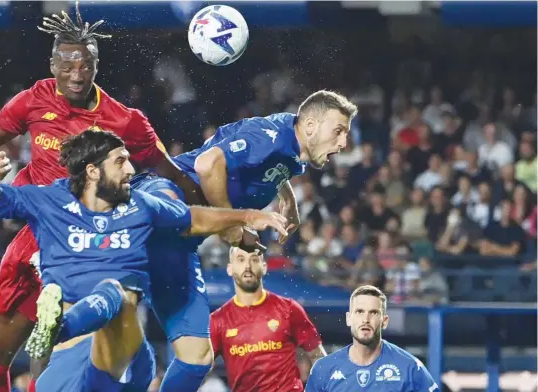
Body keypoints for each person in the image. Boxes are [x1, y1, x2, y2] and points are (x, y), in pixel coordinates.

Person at [0, 3, 203, 391]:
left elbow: (172, 175)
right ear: (53, 65)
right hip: (34, 235)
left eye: (85, 66)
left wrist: (214, 214)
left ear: (96, 65)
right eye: (67, 65)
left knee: (57, 358)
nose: (76, 75)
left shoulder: (125, 121)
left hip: (88, 247)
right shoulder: (35, 100)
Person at [0, 129, 288, 392]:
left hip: (127, 351)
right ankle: (59, 327)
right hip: (71, 359)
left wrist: (247, 215)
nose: (130, 169)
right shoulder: (48, 201)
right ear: (93, 171)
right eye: (121, 161)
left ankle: (59, 325)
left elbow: (194, 218)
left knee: (116, 296)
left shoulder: (141, 205)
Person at [132, 90, 357, 391]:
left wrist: (287, 198)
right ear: (312, 126)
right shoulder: (273, 137)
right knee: (117, 323)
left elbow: (273, 164)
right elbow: (208, 165)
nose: (343, 143)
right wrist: (234, 225)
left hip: (181, 243)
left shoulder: (292, 146)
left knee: (197, 358)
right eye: (338, 130)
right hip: (169, 190)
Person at [208, 246, 326, 392]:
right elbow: (199, 369)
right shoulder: (217, 320)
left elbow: (318, 358)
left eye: (254, 259)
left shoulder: (289, 309)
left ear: (264, 267)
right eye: (240, 260)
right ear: (230, 268)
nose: (247, 266)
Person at [304, 285, 438, 392]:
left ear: (384, 321)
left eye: (373, 313)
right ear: (348, 318)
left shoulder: (410, 368)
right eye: (359, 312)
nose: (365, 319)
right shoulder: (323, 369)